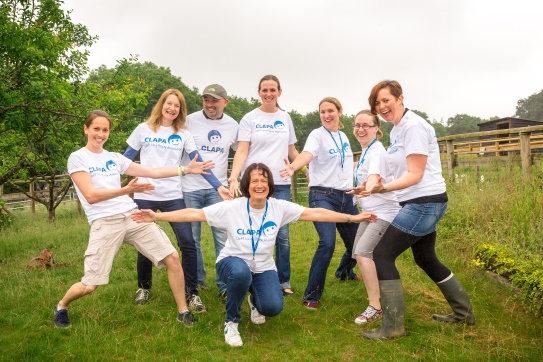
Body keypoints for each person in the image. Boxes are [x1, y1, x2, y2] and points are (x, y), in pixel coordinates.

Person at [131, 163, 378, 347]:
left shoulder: (279, 207)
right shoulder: (232, 207)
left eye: (264, 180)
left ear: (269, 185)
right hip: (232, 263)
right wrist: (157, 216)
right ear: (247, 185)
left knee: (272, 307)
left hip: (263, 267)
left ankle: (253, 301)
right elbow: (193, 214)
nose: (259, 185)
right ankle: (232, 322)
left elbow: (317, 213)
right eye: (254, 181)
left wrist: (351, 217)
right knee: (240, 271)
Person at [54, 110, 214, 328]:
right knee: (90, 285)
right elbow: (91, 196)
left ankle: (182, 311)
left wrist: (185, 169)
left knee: (172, 257)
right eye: (96, 129)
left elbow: (153, 171)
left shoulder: (115, 158)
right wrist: (126, 189)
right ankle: (62, 305)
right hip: (104, 221)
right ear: (86, 129)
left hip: (132, 215)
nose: (101, 134)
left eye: (105, 130)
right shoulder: (78, 157)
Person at [360, 80, 476, 340]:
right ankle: (463, 313)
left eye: (386, 100)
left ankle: (392, 328)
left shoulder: (413, 126)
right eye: (377, 103)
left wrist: (384, 189)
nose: (382, 106)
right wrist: (373, 183)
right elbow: (399, 170)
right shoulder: (397, 130)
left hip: (424, 202)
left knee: (382, 254)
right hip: (419, 202)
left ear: (400, 98)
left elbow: (415, 174)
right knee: (425, 258)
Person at [123, 89, 218, 313]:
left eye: (177, 105)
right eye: (169, 103)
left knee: (188, 243)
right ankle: (144, 287)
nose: (172, 108)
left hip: (173, 195)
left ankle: (192, 292)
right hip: (145, 194)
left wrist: (219, 186)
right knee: (145, 243)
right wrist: (108, 183)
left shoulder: (184, 133)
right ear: (161, 104)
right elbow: (125, 158)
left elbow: (199, 163)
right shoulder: (143, 129)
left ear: (181, 110)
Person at [279, 97, 361, 310]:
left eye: (330, 111)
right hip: (323, 196)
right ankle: (312, 295)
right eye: (322, 112)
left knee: (358, 244)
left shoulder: (343, 136)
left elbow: (343, 165)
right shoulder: (317, 135)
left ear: (340, 112)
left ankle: (343, 272)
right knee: (327, 242)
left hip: (346, 196)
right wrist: (293, 167)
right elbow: (307, 154)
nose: (326, 115)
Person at [228, 75, 304, 296]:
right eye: (264, 90)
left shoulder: (285, 118)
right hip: (253, 183)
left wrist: (306, 170)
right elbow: (241, 150)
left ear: (280, 92)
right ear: (259, 92)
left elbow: (292, 151)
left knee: (281, 235)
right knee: (250, 231)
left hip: (279, 183)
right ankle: (248, 278)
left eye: (273, 90)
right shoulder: (249, 118)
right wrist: (234, 177)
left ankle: (283, 281)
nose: (268, 94)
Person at [182, 84, 238, 297]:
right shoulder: (189, 120)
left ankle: (224, 285)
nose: (210, 104)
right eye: (207, 99)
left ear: (225, 102)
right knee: (192, 239)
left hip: (219, 190)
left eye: (214, 100)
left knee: (222, 238)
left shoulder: (233, 125)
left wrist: (236, 178)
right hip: (190, 188)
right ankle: (197, 282)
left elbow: (241, 152)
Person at [346, 110, 401, 325]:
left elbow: (374, 177)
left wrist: (367, 187)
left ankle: (375, 306)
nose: (360, 129)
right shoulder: (367, 151)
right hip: (370, 211)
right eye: (357, 125)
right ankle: (379, 296)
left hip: (383, 211)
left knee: (362, 252)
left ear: (376, 128)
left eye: (366, 125)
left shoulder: (376, 151)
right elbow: (368, 179)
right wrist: (360, 190)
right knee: (358, 252)